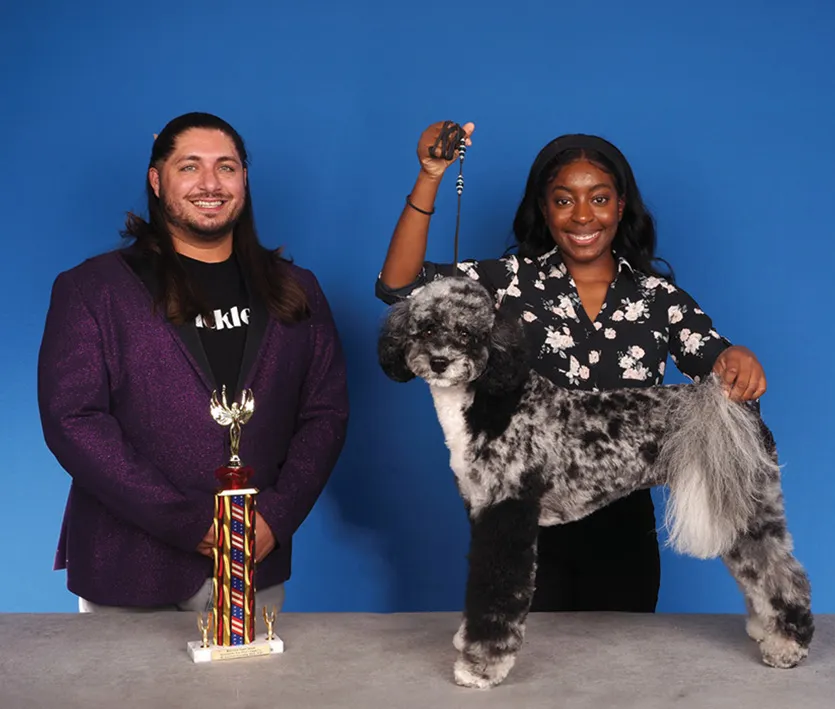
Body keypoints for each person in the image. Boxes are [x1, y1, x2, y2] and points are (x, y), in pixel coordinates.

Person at [375, 120, 766, 613]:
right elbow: (399, 287)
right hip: (524, 516)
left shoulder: (659, 299)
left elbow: (713, 360)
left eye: (599, 199)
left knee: (618, 673)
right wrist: (431, 174)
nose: (583, 215)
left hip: (625, 530)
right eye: (564, 200)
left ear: (621, 207)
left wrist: (737, 358)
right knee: (533, 669)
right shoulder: (505, 284)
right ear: (545, 209)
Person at [38, 112, 349, 613]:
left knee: (252, 696)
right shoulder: (92, 289)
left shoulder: (297, 290)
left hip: (254, 563)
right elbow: (73, 421)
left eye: (226, 167)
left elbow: (326, 414)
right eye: (190, 166)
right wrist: (190, 523)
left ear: (244, 180)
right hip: (129, 569)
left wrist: (275, 516)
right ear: (157, 180)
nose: (210, 183)